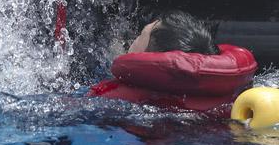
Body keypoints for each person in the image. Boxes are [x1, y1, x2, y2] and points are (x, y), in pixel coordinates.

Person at [88, 11, 257, 114]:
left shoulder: (110, 101)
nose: (133, 39)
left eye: (140, 35)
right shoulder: (234, 102)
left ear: (149, 56)